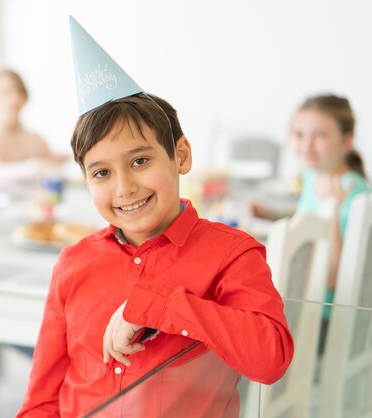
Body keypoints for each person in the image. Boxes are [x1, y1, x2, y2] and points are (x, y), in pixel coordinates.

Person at [17, 18, 294, 417]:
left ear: (181, 155)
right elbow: (41, 401)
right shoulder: (73, 264)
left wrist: (156, 305)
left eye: (140, 160)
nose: (124, 187)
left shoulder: (232, 254)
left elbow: (271, 360)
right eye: (102, 173)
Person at [251, 95, 370, 309]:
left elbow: (335, 279)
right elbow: (309, 217)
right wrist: (272, 214)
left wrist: (333, 212)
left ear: (346, 141)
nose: (307, 144)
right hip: (299, 290)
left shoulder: (355, 194)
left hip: (321, 312)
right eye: (299, 134)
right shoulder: (312, 175)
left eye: (320, 135)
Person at [0, 69, 69, 192]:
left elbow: (53, 167)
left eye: (19, 92)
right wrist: (35, 167)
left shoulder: (36, 139)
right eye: (5, 93)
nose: (14, 100)